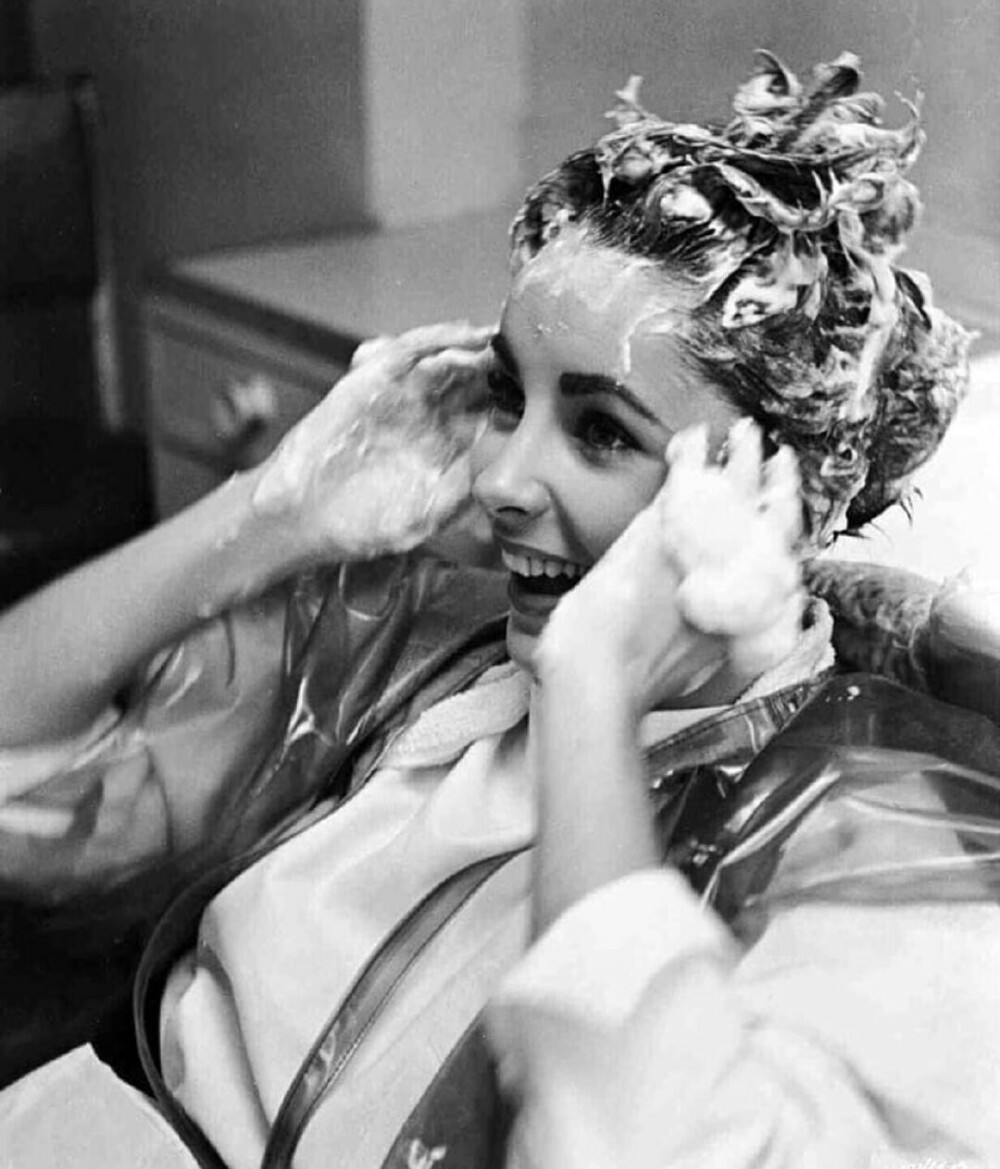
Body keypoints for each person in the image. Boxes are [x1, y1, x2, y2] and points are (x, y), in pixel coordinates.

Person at [1, 50, 999, 1169]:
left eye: (601, 431)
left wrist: (593, 694)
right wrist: (278, 511)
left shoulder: (863, 824)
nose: (498, 480)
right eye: (504, 395)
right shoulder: (426, 657)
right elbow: (14, 764)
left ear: (776, 496)